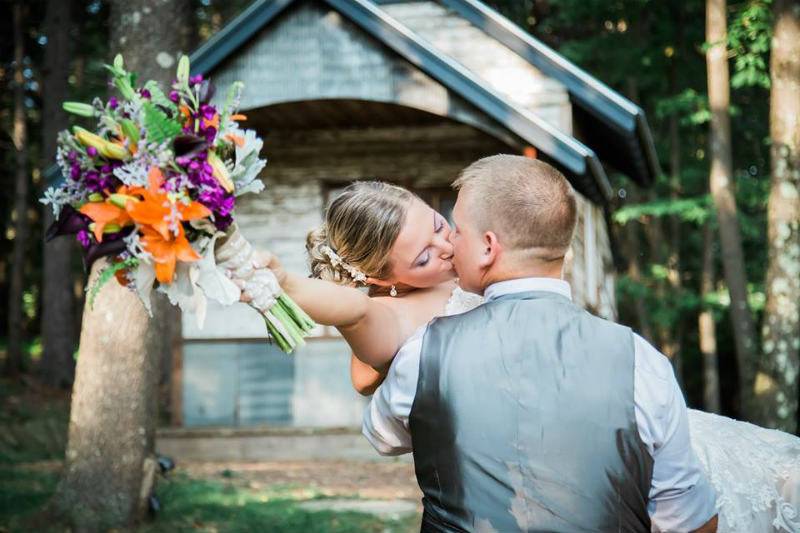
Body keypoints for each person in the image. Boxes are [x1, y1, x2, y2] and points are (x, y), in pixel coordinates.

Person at [247, 156, 800, 532]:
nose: (445, 246)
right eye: (422, 256)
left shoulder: (461, 280)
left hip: (623, 441)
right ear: (388, 279)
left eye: (442, 226)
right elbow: (357, 314)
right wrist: (288, 285)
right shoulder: (404, 318)